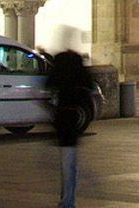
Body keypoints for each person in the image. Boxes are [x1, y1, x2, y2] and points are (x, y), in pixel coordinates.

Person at [47, 50, 96, 208]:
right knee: (69, 166)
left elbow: (50, 87)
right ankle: (67, 201)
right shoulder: (78, 81)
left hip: (63, 124)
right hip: (70, 125)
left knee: (67, 166)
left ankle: (67, 200)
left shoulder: (62, 81)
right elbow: (89, 89)